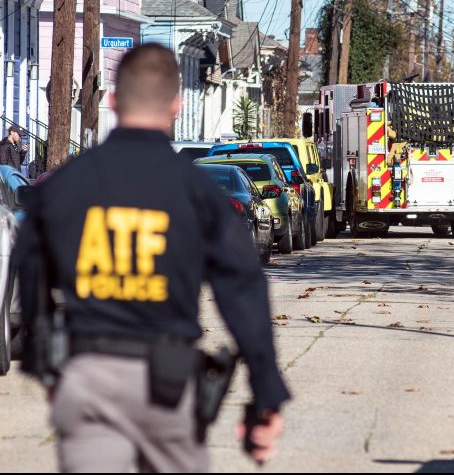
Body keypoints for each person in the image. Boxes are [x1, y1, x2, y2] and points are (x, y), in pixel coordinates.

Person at [14, 44, 289, 472]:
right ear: (176, 105)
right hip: (167, 384)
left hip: (87, 377)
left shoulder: (65, 186)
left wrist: (43, 362)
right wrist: (266, 390)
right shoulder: (198, 193)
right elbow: (242, 288)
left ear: (113, 100)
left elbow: (29, 271)